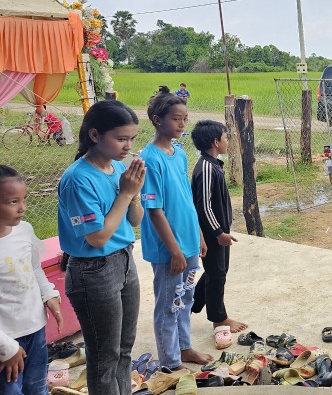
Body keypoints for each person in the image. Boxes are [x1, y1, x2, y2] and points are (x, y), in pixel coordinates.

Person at [57, 100, 144, 395]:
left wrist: (134, 195)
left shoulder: (118, 168)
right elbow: (97, 238)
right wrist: (126, 192)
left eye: (132, 138)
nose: (128, 146)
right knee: (104, 356)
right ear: (95, 135)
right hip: (94, 271)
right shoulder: (78, 179)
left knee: (123, 349)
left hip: (123, 261)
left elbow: (134, 220)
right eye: (121, 138)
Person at [140, 92, 212, 368]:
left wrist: (199, 235)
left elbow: (185, 200)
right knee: (169, 303)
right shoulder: (150, 158)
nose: (182, 124)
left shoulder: (179, 154)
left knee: (187, 296)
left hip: (189, 244)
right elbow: (155, 211)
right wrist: (175, 251)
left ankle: (184, 348)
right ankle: (170, 362)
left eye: (184, 119)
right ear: (157, 120)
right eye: (175, 119)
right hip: (169, 250)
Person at [0, 165, 62, 394]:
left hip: (35, 329)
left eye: (23, 199)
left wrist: (49, 294)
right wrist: (6, 347)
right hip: (6, 339)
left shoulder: (24, 230)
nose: (23, 208)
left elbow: (34, 268)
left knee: (37, 387)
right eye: (13, 202)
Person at [189, 120, 247, 334]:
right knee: (216, 273)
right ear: (215, 141)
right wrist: (218, 233)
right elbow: (203, 206)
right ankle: (218, 318)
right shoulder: (205, 168)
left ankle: (191, 304)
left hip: (218, 232)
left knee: (217, 271)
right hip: (211, 234)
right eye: (225, 137)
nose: (227, 141)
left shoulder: (213, 164)